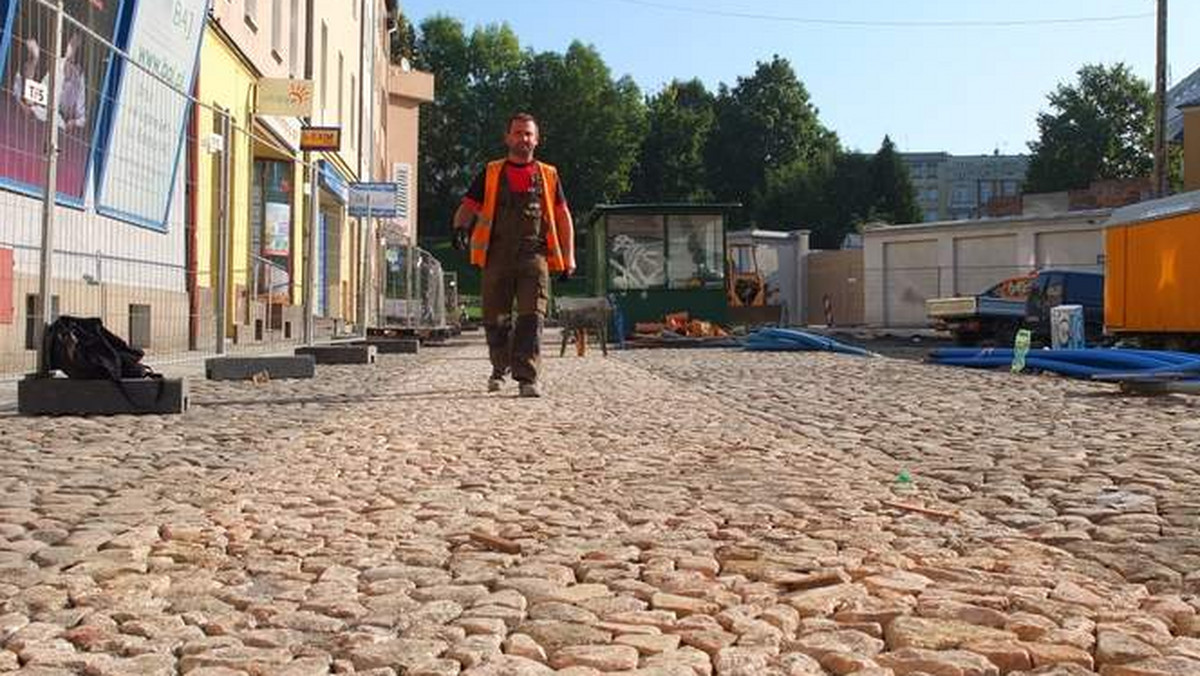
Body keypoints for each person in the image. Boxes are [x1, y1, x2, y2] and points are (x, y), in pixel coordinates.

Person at [452, 113, 575, 398]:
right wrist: (459, 227)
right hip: (497, 254)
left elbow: (562, 215)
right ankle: (499, 369)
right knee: (497, 318)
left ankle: (528, 377)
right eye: (518, 133)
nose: (524, 139)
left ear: (537, 139)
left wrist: (569, 258)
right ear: (507, 137)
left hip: (534, 256)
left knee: (532, 316)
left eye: (529, 134)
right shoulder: (491, 172)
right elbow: (469, 204)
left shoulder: (549, 175)